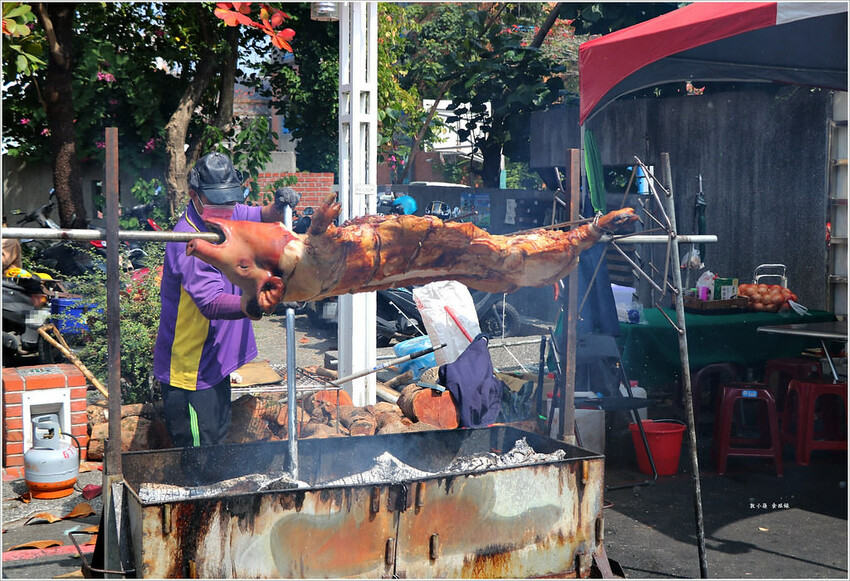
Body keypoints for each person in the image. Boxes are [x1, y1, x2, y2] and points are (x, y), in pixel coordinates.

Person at [153, 152, 297, 447]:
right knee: (199, 454)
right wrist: (252, 303)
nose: (228, 209)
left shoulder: (226, 212)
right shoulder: (188, 240)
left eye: (231, 200)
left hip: (214, 362)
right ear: (194, 196)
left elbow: (258, 215)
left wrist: (279, 205)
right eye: (218, 202)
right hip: (190, 371)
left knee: (217, 439)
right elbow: (211, 303)